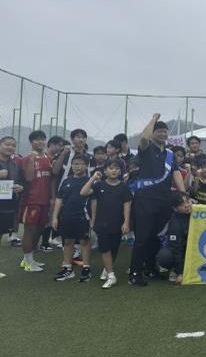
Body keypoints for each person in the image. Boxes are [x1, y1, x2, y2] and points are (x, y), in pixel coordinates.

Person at [128, 114, 186, 287]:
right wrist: (153, 120)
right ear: (153, 133)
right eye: (159, 131)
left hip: (164, 200)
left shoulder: (170, 154)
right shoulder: (146, 149)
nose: (162, 134)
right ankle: (135, 273)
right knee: (142, 237)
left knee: (155, 237)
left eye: (164, 131)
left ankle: (150, 268)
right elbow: (143, 138)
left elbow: (176, 173)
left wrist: (183, 194)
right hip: (145, 200)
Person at [81, 161, 132, 289]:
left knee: (114, 248)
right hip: (102, 223)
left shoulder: (124, 187)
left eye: (116, 168)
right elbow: (83, 192)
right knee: (104, 248)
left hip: (117, 223)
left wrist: (126, 222)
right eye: (111, 168)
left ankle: (107, 268)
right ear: (105, 171)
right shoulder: (99, 185)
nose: (114, 170)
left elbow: (127, 205)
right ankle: (111, 275)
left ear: (120, 171)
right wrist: (93, 178)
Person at [52, 154, 92, 282]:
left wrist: (93, 218)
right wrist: (55, 217)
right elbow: (59, 199)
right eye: (75, 164)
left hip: (83, 217)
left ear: (86, 166)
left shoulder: (90, 181)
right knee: (68, 242)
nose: (77, 166)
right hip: (66, 217)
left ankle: (86, 268)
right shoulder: (66, 181)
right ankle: (68, 268)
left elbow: (94, 201)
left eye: (81, 164)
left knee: (84, 242)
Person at [18, 131, 53, 272]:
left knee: (39, 229)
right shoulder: (26, 158)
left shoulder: (48, 158)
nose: (40, 142)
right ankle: (27, 261)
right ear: (31, 142)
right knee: (30, 230)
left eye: (43, 139)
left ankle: (30, 259)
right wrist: (32, 160)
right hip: (31, 200)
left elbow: (52, 179)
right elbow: (29, 178)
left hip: (45, 200)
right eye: (37, 140)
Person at [156, 192, 192, 285]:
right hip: (182, 248)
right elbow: (176, 249)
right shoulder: (175, 224)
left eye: (188, 201)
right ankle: (175, 269)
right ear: (175, 209)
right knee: (164, 257)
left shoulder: (201, 211)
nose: (186, 205)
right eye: (182, 205)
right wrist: (180, 273)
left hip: (197, 246)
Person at [0, 137, 24, 252]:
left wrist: (20, 187)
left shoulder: (15, 164)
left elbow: (20, 181)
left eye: (13, 145)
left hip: (6, 205)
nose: (10, 147)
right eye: (7, 144)